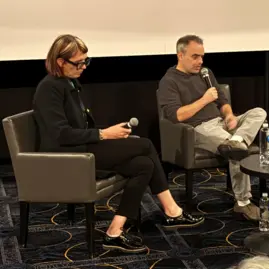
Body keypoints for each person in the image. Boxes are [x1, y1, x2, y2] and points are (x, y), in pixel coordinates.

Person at [32, 34, 204, 253]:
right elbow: (60, 135)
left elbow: (81, 126)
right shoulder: (49, 88)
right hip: (67, 155)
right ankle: (172, 211)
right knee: (145, 145)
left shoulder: (70, 82)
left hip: (82, 147)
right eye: (79, 63)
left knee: (144, 165)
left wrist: (109, 133)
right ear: (60, 61)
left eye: (87, 61)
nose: (84, 67)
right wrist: (104, 134)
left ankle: (114, 231)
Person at [157, 35, 267, 221]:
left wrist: (230, 115)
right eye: (195, 56)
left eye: (202, 56)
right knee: (236, 153)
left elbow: (222, 102)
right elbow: (176, 115)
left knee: (258, 112)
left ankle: (237, 139)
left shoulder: (206, 73)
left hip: (221, 123)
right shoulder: (169, 81)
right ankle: (243, 203)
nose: (200, 61)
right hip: (198, 129)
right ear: (180, 55)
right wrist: (204, 100)